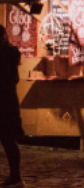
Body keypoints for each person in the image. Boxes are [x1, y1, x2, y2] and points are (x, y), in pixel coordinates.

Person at [0, 25, 24, 188]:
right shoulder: (11, 52)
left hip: (5, 102)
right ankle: (15, 176)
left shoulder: (8, 53)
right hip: (7, 102)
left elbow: (9, 78)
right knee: (8, 141)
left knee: (8, 140)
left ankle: (15, 176)